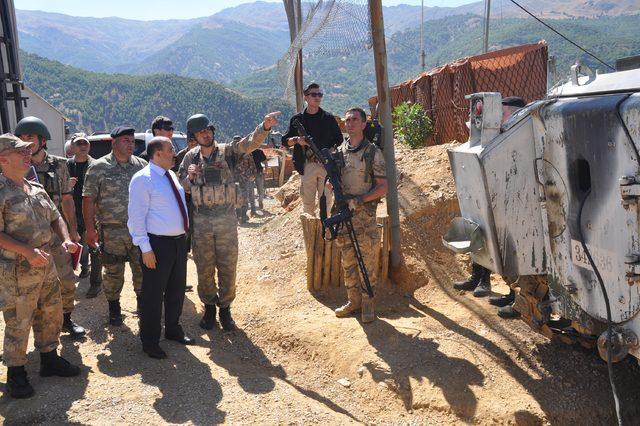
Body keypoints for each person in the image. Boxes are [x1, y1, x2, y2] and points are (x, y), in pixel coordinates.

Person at [178, 111, 280, 331]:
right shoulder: (189, 158)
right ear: (194, 137)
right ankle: (209, 309)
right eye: (200, 132)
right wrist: (190, 177)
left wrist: (264, 126)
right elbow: (182, 187)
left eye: (207, 130)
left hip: (225, 220)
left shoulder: (228, 152)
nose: (205, 134)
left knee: (227, 266)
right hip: (202, 221)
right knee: (204, 267)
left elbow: (250, 143)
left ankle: (225, 310)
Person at [0, 133, 80, 399]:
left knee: (51, 312)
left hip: (45, 264)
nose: (27, 155)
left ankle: (49, 358)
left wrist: (67, 239)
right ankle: (16, 373)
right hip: (17, 270)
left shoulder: (35, 188)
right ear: (3, 159)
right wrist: (26, 251)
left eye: (27, 151)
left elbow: (56, 217)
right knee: (19, 320)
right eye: (20, 152)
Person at [452, 96, 527, 316]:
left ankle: (521, 300)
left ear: (515, 112)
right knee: (480, 232)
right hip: (497, 197)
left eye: (502, 114)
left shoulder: (523, 132)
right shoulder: (503, 134)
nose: (497, 120)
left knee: (518, 252)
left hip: (519, 203)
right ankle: (498, 286)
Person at [15, 117, 86, 338]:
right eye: (22, 138)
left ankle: (66, 319)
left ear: (42, 140)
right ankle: (21, 334)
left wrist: (72, 231)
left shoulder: (59, 164)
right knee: (25, 287)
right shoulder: (14, 165)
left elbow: (67, 199)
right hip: (26, 236)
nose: (26, 143)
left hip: (55, 233)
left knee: (66, 279)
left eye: (30, 138)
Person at [128, 137, 194, 359]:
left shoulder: (171, 175)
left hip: (177, 242)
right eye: (170, 150)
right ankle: (150, 341)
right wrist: (145, 248)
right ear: (157, 154)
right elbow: (136, 218)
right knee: (153, 295)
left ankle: (173, 329)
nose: (174, 153)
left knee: (176, 290)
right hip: (156, 244)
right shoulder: (142, 180)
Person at [83, 126, 147, 326]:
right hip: (111, 231)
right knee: (113, 272)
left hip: (139, 231)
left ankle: (143, 306)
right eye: (126, 140)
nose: (131, 145)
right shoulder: (98, 168)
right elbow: (88, 200)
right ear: (114, 143)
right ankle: (114, 309)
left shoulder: (142, 166)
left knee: (142, 270)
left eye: (132, 141)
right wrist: (91, 230)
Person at [332, 108, 388, 323]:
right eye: (347, 120)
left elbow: (383, 186)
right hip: (343, 214)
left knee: (367, 260)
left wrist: (361, 200)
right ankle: (352, 301)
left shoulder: (373, 152)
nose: (350, 123)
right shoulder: (339, 152)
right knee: (348, 260)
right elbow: (333, 181)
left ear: (364, 124)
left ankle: (367, 303)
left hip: (363, 215)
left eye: (355, 119)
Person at [281, 83, 343, 216]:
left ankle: (325, 233)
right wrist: (298, 140)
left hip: (325, 165)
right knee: (308, 205)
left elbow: (339, 140)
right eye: (314, 94)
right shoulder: (297, 119)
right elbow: (285, 141)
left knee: (326, 203)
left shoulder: (328, 118)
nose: (317, 97)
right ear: (306, 97)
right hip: (307, 165)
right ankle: (311, 234)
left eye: (320, 94)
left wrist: (328, 154)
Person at [67, 133, 102, 297]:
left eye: (85, 143)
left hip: (92, 212)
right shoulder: (66, 165)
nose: (82, 146)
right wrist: (66, 185)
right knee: (74, 244)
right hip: (72, 212)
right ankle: (83, 268)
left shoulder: (96, 165)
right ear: (72, 147)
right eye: (78, 143)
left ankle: (96, 283)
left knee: (94, 248)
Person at [234, 136, 257, 223]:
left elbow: (252, 164)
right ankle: (238, 215)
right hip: (234, 179)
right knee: (235, 198)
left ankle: (243, 215)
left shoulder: (247, 153)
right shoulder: (230, 154)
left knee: (244, 197)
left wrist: (253, 174)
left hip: (245, 179)